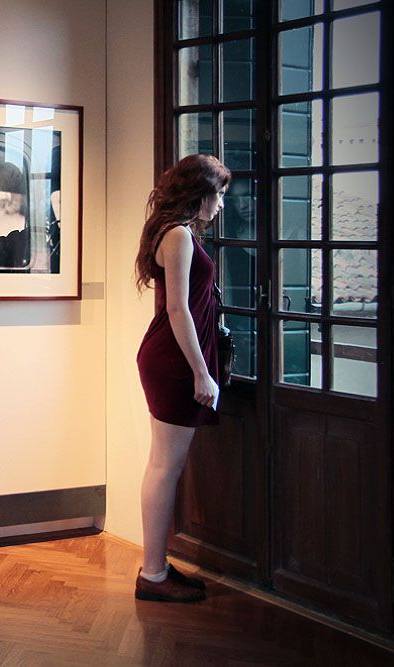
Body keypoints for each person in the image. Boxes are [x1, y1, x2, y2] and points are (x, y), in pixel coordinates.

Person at [134, 154, 230, 603]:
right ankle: (153, 575)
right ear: (200, 193)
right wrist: (201, 372)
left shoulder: (174, 231)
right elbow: (178, 309)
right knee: (164, 467)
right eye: (219, 194)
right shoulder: (178, 236)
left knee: (162, 464)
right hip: (174, 362)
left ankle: (156, 568)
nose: (221, 204)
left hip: (168, 357)